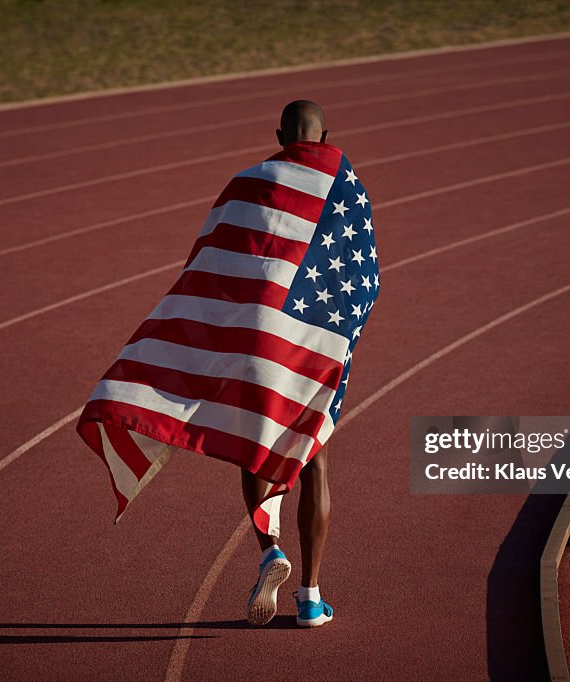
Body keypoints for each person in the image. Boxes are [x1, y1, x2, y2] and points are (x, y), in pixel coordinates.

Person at [76, 99, 378, 631]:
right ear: (326, 134)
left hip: (252, 343)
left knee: (251, 445)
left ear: (279, 134)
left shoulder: (247, 183)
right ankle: (310, 599)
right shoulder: (344, 185)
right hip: (306, 344)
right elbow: (365, 275)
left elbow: (208, 262)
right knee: (316, 463)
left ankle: (268, 550)